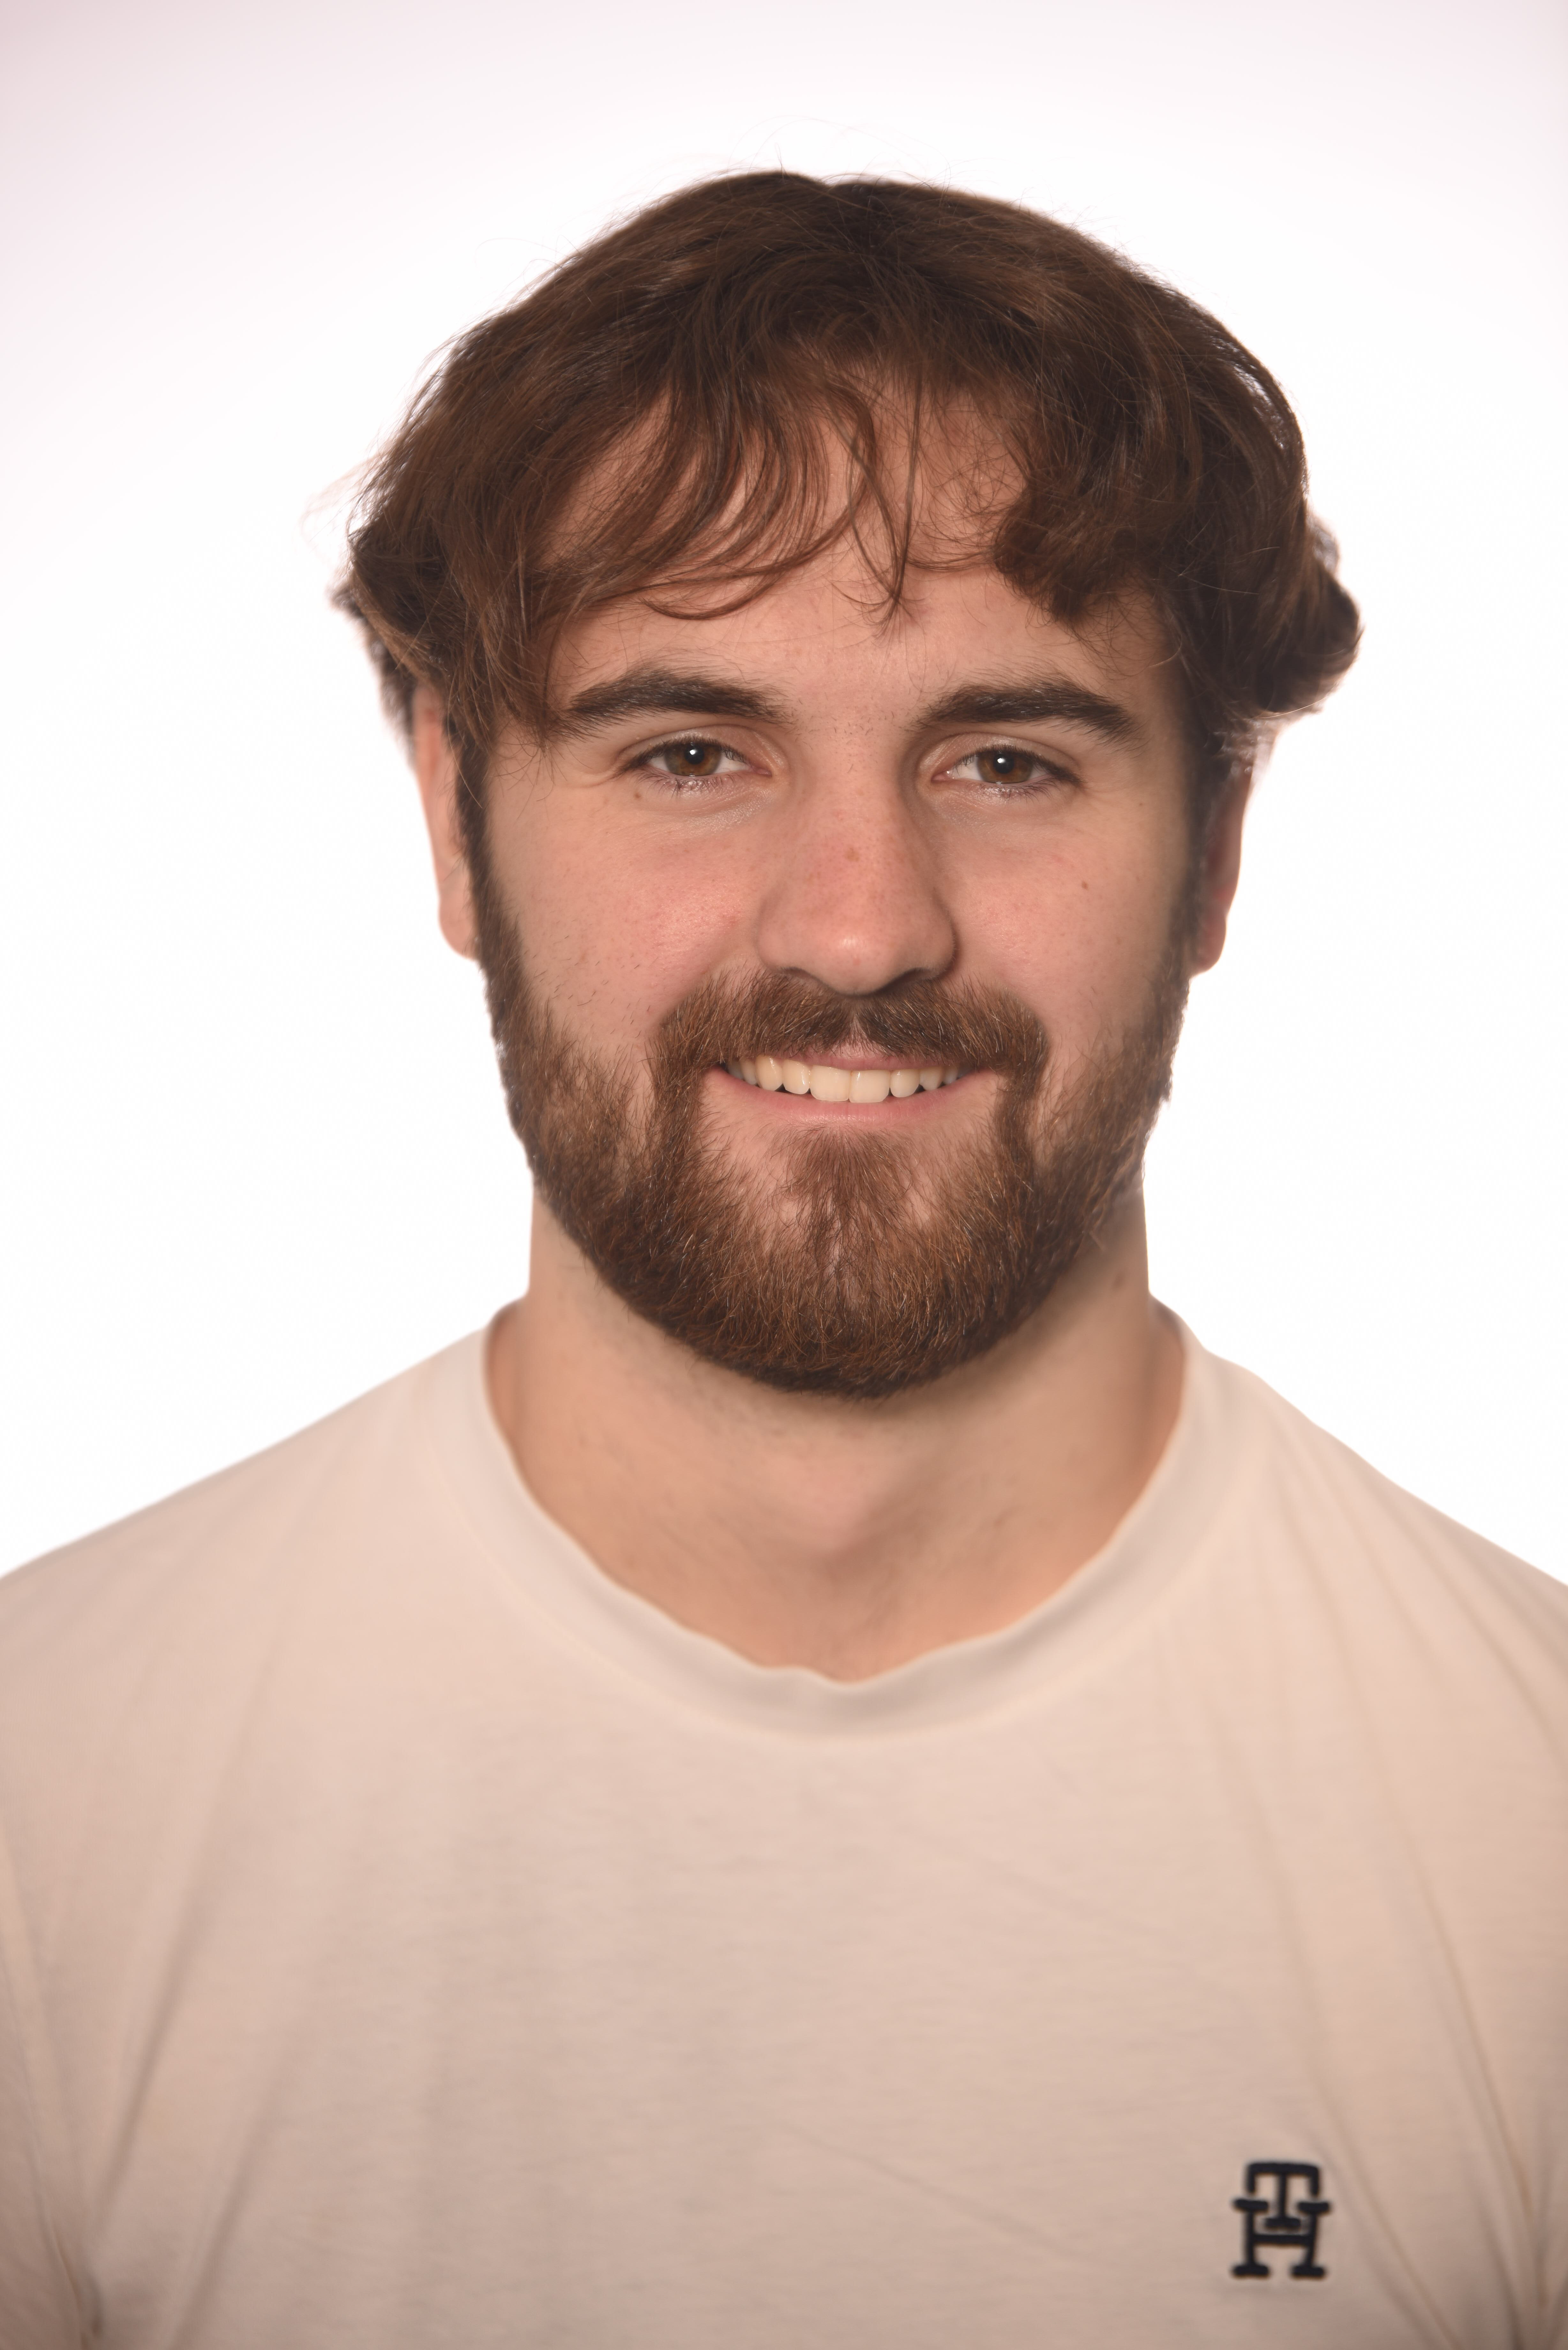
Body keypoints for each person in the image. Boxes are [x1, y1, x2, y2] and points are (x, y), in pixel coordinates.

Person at [0, 172, 1563, 2350]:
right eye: (691, 754)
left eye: (1008, 760)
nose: (857, 926)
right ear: (452, 813)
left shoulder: (1530, 1827)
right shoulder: (43, 1808)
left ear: (1216, 849)